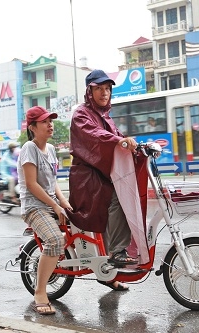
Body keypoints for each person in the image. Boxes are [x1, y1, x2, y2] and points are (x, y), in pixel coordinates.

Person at [67, 69, 146, 292]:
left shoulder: (106, 117)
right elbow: (96, 137)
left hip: (100, 175)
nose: (105, 93)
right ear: (89, 91)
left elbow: (118, 137)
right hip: (87, 179)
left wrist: (136, 146)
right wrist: (119, 142)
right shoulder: (81, 115)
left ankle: (109, 271)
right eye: (99, 88)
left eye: (108, 89)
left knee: (128, 194)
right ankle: (118, 251)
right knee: (118, 198)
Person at [18, 105, 72, 315]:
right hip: (34, 207)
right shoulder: (28, 149)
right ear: (32, 127)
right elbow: (32, 184)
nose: (50, 124)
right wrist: (55, 206)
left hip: (50, 204)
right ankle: (40, 291)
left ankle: (108, 276)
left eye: (50, 121)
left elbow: (53, 182)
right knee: (55, 240)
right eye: (44, 122)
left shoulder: (50, 150)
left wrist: (64, 202)